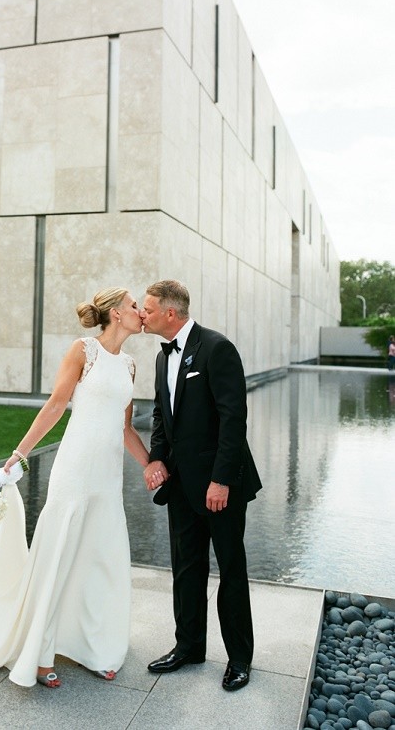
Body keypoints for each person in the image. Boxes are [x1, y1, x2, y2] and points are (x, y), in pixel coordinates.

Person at [0, 287, 150, 688]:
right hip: (76, 468)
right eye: (135, 306)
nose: (141, 312)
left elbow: (125, 427)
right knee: (60, 555)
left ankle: (96, 648)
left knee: (102, 556)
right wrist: (19, 454)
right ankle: (42, 652)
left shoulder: (131, 365)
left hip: (107, 475)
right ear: (116, 314)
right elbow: (55, 405)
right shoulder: (84, 350)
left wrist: (151, 464)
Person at [140, 279, 262, 692]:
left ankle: (240, 659)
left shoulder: (217, 348)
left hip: (220, 486)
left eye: (149, 308)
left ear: (170, 313)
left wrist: (221, 480)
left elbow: (234, 420)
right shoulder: (162, 358)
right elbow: (161, 413)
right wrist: (157, 456)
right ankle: (189, 647)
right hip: (181, 485)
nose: (144, 314)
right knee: (186, 569)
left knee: (231, 570)